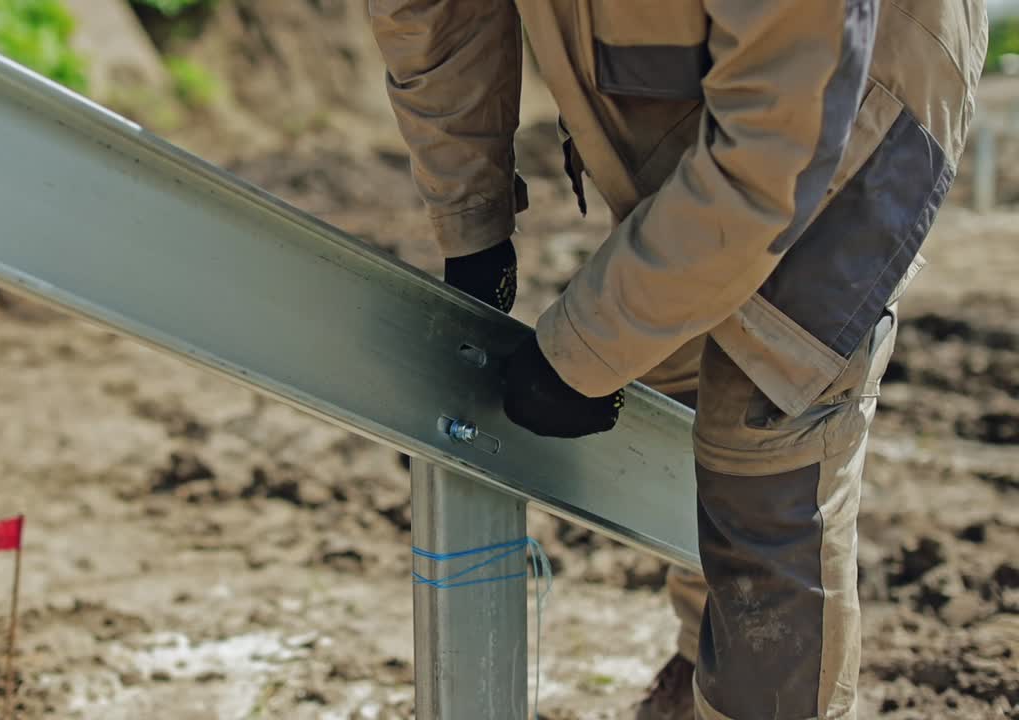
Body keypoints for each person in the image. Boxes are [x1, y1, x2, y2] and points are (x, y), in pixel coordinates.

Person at [370, 1, 988, 718]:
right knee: (672, 355)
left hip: (845, 86)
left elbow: (778, 138)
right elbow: (436, 13)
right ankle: (704, 659)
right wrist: (471, 220)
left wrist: (585, 350)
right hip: (656, 65)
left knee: (763, 435)